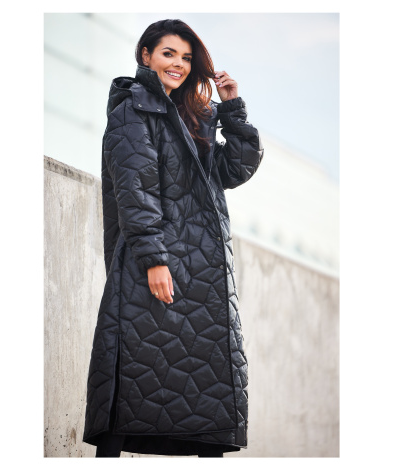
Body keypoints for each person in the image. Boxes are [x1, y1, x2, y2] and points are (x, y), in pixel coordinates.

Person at [82, 18, 263, 458]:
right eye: (168, 54)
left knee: (206, 394)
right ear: (145, 55)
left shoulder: (195, 115)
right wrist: (154, 260)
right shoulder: (132, 111)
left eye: (185, 57)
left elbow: (232, 170)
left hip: (201, 272)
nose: (178, 64)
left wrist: (232, 109)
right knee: (134, 374)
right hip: (155, 265)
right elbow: (135, 190)